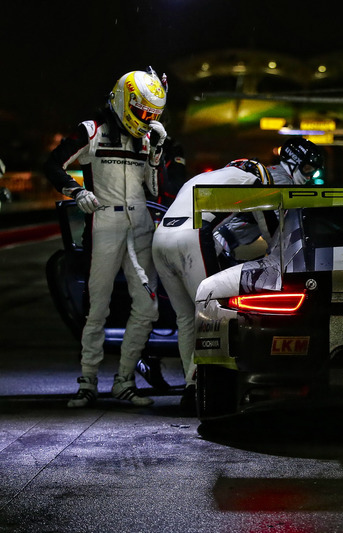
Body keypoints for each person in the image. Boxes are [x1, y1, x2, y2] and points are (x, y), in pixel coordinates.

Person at [43, 67, 168, 408]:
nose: (146, 120)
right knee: (97, 307)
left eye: (153, 115)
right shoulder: (91, 131)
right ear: (125, 100)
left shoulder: (146, 140)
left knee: (149, 307)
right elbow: (54, 164)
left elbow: (157, 188)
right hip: (105, 226)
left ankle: (124, 380)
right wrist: (75, 190)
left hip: (141, 225)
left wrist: (157, 153)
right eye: (142, 112)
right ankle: (87, 382)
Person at [151, 159, 270, 412]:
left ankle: (189, 385)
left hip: (160, 238)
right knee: (209, 317)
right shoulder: (251, 180)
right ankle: (201, 386)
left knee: (184, 319)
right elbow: (270, 229)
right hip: (192, 235)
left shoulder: (198, 179)